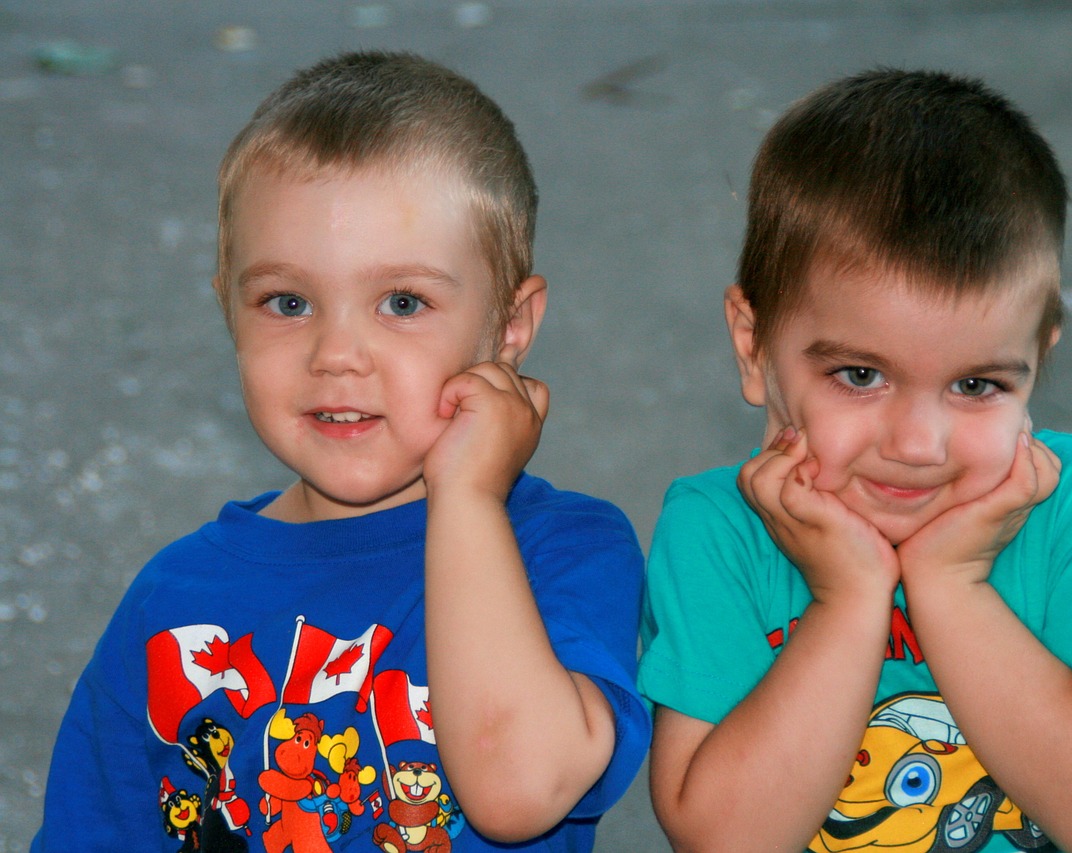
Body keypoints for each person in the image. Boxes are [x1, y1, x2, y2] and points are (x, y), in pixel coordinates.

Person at [34, 51, 649, 852]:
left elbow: (520, 790)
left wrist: (467, 499)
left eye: (402, 302)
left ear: (509, 326)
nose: (337, 353)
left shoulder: (566, 552)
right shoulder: (171, 605)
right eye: (287, 302)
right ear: (229, 307)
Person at [638, 69, 1072, 853]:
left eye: (976, 384)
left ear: (1039, 357)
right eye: (859, 375)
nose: (917, 444)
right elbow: (724, 839)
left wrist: (951, 582)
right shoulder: (720, 532)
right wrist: (848, 599)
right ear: (754, 345)